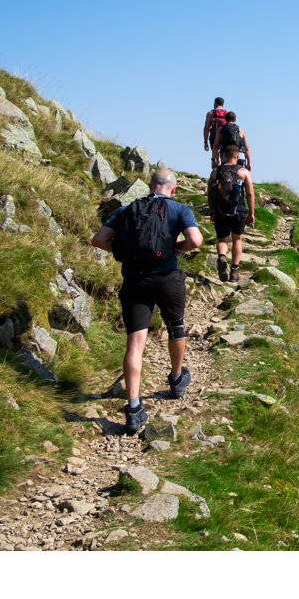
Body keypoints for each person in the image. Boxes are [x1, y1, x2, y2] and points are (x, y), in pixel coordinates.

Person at [90, 168, 203, 434]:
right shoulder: (179, 209)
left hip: (134, 281)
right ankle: (176, 379)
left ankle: (133, 407)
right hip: (167, 278)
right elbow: (195, 241)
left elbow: (98, 240)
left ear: (150, 186)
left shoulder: (129, 210)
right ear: (172, 189)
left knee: (135, 341)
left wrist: (122, 251)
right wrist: (176, 247)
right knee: (175, 327)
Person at [208, 143, 255, 282]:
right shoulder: (243, 172)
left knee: (222, 239)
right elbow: (250, 193)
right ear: (237, 156)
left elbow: (210, 193)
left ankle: (222, 257)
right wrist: (251, 213)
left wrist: (212, 211)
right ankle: (234, 272)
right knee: (237, 239)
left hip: (221, 210)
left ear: (224, 155)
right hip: (238, 210)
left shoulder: (216, 171)